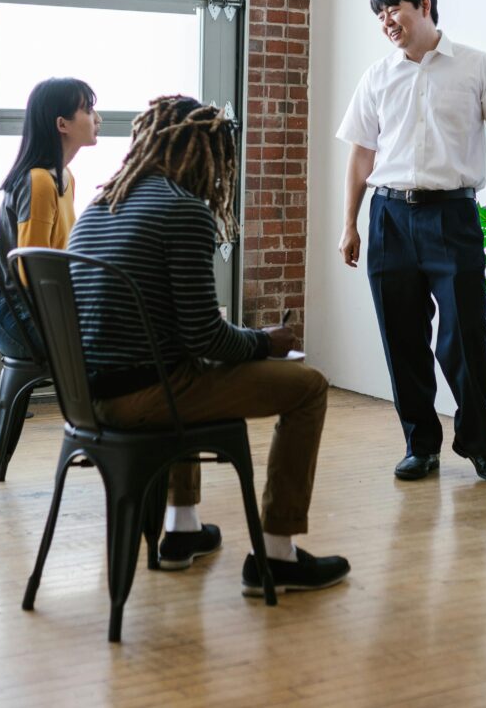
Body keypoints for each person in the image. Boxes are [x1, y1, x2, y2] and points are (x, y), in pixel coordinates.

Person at [69, 95, 349, 595]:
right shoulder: (183, 211)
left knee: (184, 364)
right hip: (146, 399)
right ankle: (278, 554)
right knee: (308, 386)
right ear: (201, 153)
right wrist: (264, 342)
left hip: (88, 403)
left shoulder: (98, 208)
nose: (220, 174)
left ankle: (183, 530)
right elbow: (207, 337)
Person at [337, 0, 486, 484]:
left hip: (451, 216)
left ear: (424, 5)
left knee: (465, 335)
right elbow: (362, 155)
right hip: (389, 217)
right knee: (402, 338)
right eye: (380, 16)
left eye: (394, 10)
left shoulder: (475, 66)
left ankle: (480, 446)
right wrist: (350, 224)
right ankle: (420, 446)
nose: (387, 22)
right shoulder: (377, 77)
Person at [0, 77, 101, 362]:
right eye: (88, 110)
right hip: (18, 316)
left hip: (36, 306)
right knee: (116, 337)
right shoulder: (39, 181)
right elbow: (31, 269)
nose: (98, 119)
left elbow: (62, 250)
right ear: (62, 124)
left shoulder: (64, 177)